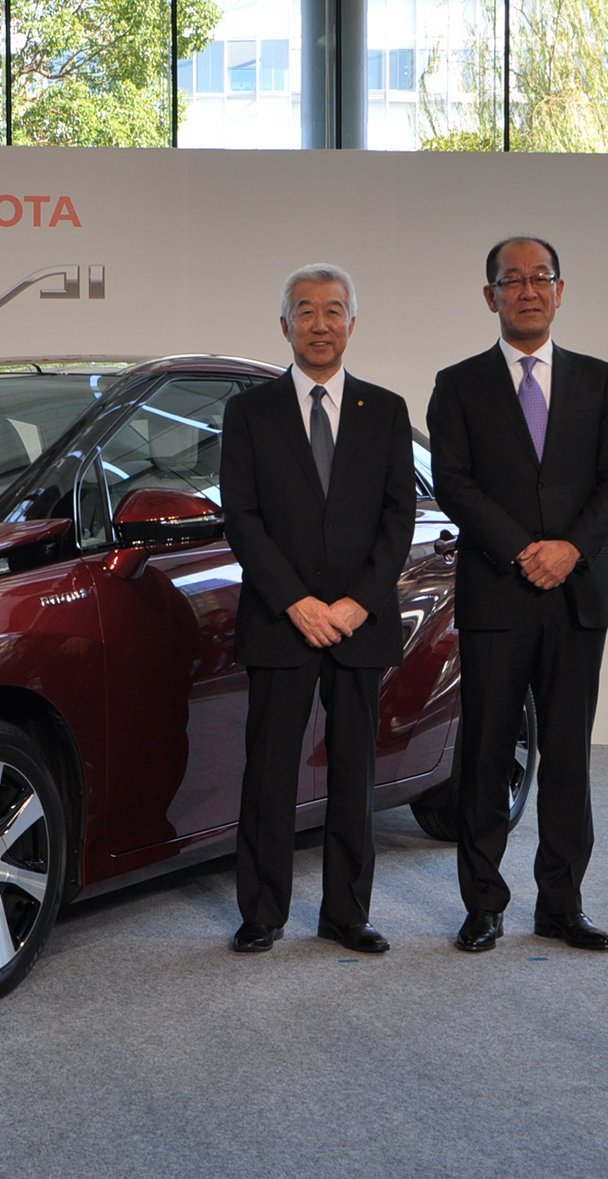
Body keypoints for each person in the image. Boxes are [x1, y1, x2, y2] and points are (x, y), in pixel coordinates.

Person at [425, 237, 608, 954]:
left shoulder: (600, 380)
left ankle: (562, 905)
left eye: (539, 277)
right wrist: (523, 550)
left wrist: (571, 549)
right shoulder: (457, 385)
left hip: (578, 595)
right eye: (510, 279)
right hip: (498, 592)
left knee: (569, 757)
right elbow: (454, 483)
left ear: (560, 289)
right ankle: (483, 904)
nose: (526, 289)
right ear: (489, 295)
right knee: (486, 755)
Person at [220, 263, 418, 954]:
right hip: (281, 620)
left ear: (352, 324)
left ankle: (346, 914)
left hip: (360, 623)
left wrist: (359, 603)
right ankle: (262, 913)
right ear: (285, 325)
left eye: (334, 310)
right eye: (305, 310)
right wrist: (297, 601)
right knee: (269, 773)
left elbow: (398, 519)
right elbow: (242, 518)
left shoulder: (385, 411)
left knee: (355, 773)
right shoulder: (249, 412)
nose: (320, 323)